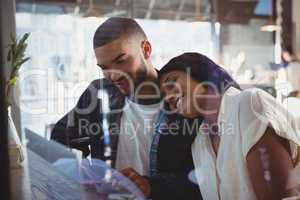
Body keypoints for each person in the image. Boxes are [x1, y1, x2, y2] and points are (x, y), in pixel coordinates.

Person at [51, 18, 201, 200]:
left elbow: (202, 178)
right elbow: (61, 136)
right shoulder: (98, 93)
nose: (113, 75)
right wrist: (84, 174)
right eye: (104, 68)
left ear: (145, 49)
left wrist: (151, 186)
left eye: (121, 61)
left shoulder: (183, 101)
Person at [159, 52, 300, 200]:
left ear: (199, 71)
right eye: (164, 95)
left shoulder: (248, 104)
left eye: (171, 81)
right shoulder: (199, 143)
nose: (169, 97)